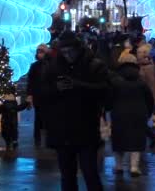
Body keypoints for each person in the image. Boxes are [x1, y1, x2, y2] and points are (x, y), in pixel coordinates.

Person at [41, 31, 109, 191]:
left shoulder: (94, 65)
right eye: (64, 52)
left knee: (90, 173)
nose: (68, 55)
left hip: (86, 127)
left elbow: (105, 91)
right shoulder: (54, 67)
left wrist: (78, 85)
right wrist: (56, 89)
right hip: (62, 129)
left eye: (70, 51)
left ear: (78, 48)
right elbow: (42, 93)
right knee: (67, 175)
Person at [109, 53, 153, 177]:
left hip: (119, 114)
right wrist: (148, 113)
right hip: (138, 113)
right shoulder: (141, 82)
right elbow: (149, 99)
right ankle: (134, 167)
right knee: (137, 140)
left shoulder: (115, 81)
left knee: (119, 140)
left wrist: (109, 110)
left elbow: (109, 99)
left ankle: (119, 166)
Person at [135, 44, 155, 147]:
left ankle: (150, 137)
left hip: (145, 96)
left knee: (140, 120)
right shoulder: (151, 64)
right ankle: (149, 137)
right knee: (142, 119)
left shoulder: (143, 67)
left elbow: (144, 82)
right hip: (151, 94)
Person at [26, 43, 49, 147]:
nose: (40, 54)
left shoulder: (50, 65)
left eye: (42, 52)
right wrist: (29, 94)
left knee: (47, 117)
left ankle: (45, 138)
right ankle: (38, 138)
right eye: (39, 52)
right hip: (39, 95)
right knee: (39, 117)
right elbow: (30, 82)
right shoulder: (34, 66)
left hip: (47, 95)